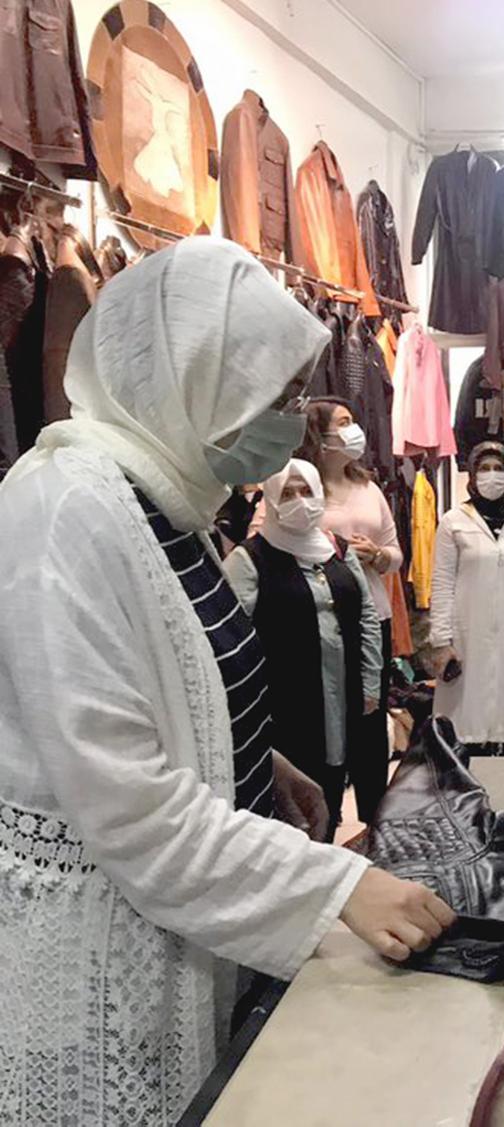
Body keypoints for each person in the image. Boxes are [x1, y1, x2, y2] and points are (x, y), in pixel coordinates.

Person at [0, 238, 453, 1125]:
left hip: (183, 929)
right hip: (101, 967)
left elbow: (172, 683)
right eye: (271, 396)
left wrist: (255, 759)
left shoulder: (168, 501)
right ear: (193, 373)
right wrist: (336, 886)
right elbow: (132, 811)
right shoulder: (63, 513)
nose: (286, 422)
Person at [256, 397, 404, 821]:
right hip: (314, 622)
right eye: (344, 422)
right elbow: (264, 541)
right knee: (321, 722)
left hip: (372, 616)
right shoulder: (295, 485)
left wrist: (378, 555)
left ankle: (375, 816)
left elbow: (396, 552)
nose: (354, 429)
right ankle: (323, 809)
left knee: (369, 720)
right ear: (318, 434)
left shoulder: (369, 488)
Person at [224, 459, 383, 836]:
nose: (299, 501)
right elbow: (232, 638)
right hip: (285, 704)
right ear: (272, 501)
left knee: (334, 777)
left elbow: (367, 615)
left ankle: (328, 843)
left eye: (306, 491)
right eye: (288, 493)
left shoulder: (337, 550)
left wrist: (371, 682)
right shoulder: (251, 559)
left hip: (342, 695)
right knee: (295, 799)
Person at [428, 442, 504, 754]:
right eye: (483, 468)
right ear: (472, 474)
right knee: (465, 724)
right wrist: (441, 641)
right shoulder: (454, 521)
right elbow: (442, 582)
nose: (491, 476)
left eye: (498, 469)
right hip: (466, 637)